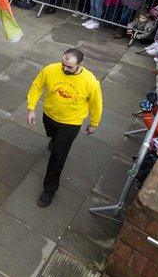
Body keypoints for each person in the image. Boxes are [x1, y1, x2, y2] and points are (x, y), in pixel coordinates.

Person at [26, 48, 103, 207]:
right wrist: (31, 109)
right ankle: (54, 140)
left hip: (71, 122)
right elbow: (37, 86)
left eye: (69, 67)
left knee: (58, 156)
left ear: (80, 64)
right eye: (63, 65)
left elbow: (96, 104)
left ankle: (50, 188)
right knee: (51, 136)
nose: (64, 69)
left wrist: (94, 123)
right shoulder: (50, 69)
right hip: (50, 115)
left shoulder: (90, 82)